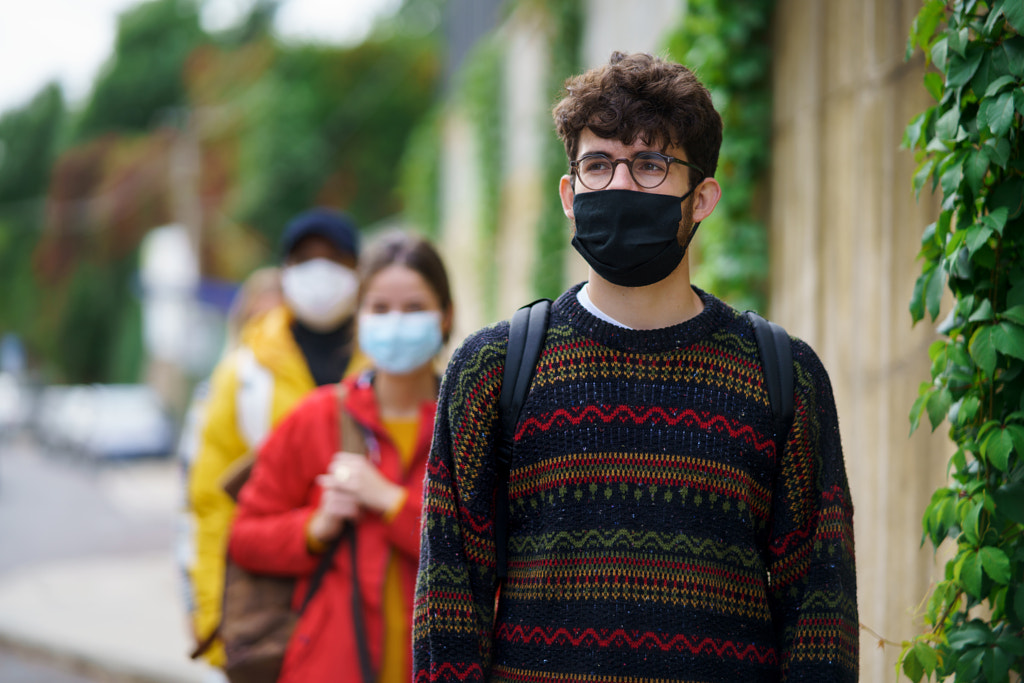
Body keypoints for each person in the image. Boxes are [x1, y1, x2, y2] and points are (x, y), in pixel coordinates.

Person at [412, 51, 858, 682]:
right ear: (569, 194)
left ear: (701, 198)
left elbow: (820, 619)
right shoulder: (493, 371)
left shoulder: (782, 375)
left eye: (650, 164)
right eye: (598, 165)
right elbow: (448, 611)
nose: (619, 185)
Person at [228, 230, 454, 683]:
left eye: (413, 308)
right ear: (359, 317)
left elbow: (488, 554)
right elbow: (244, 538)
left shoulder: (470, 424)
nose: (395, 322)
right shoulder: (316, 418)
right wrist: (312, 528)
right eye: (380, 308)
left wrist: (390, 501)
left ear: (445, 317)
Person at [186, 208, 366, 672]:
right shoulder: (243, 374)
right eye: (306, 259)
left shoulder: (388, 365)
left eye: (335, 258)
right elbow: (209, 503)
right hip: (271, 613)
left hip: (368, 610)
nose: (320, 271)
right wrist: (213, 615)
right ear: (285, 272)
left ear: (357, 271)